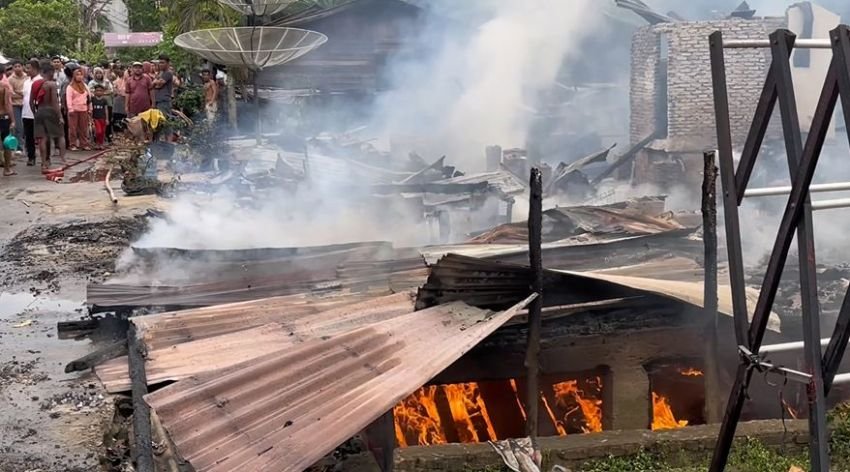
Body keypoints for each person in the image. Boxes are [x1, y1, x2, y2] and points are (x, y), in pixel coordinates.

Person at [34, 62, 66, 168]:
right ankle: (63, 159)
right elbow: (55, 102)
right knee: (60, 135)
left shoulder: (35, 83)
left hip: (39, 111)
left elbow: (30, 102)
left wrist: (35, 112)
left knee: (42, 138)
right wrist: (60, 116)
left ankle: (44, 162)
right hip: (50, 111)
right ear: (51, 72)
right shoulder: (51, 84)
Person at [66, 68, 92, 151]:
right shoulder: (70, 87)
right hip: (73, 110)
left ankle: (84, 144)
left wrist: (90, 108)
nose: (79, 77)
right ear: (74, 76)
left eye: (81, 75)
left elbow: (89, 98)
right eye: (77, 75)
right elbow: (68, 98)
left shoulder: (85, 86)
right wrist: (70, 109)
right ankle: (72, 144)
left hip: (83, 109)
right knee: (73, 129)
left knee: (83, 128)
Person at [21, 59, 41, 166]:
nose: (26, 70)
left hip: (38, 113)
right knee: (29, 137)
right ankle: (31, 157)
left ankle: (45, 158)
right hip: (26, 113)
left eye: (28, 68)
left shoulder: (41, 81)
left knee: (41, 137)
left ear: (35, 68)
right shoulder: (26, 82)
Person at [88, 67, 113, 142]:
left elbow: (111, 91)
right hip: (96, 104)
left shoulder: (107, 81)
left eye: (100, 73)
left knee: (107, 120)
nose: (99, 75)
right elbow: (91, 92)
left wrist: (101, 93)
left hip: (107, 103)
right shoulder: (91, 83)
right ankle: (96, 138)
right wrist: (104, 91)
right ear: (94, 74)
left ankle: (108, 136)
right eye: (97, 73)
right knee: (96, 122)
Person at [8, 61, 26, 155]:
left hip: (26, 104)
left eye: (19, 66)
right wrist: (21, 93)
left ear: (22, 67)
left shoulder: (27, 77)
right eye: (16, 66)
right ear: (13, 68)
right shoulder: (10, 79)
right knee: (18, 126)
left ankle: (25, 145)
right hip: (15, 105)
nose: (18, 68)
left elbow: (26, 93)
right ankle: (19, 146)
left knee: (26, 126)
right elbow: (11, 94)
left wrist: (18, 92)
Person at [0, 73, 16, 176]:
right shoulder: (3, 86)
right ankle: (7, 169)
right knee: (6, 143)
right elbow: (7, 104)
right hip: (3, 117)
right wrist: (13, 119)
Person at [91, 85, 108, 150]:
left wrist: (107, 119)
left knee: (102, 132)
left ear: (103, 92)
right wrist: (91, 119)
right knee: (98, 131)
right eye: (97, 90)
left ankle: (101, 143)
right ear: (95, 92)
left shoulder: (104, 100)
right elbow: (91, 109)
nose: (99, 92)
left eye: (100, 91)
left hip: (102, 118)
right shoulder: (93, 99)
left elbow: (106, 110)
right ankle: (97, 143)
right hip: (95, 118)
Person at [112, 67, 127, 131]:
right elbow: (114, 91)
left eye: (122, 69)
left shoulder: (127, 80)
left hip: (125, 100)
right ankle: (117, 129)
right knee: (117, 114)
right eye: (119, 69)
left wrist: (119, 91)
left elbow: (125, 91)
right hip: (117, 100)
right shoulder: (116, 81)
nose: (120, 71)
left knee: (124, 114)